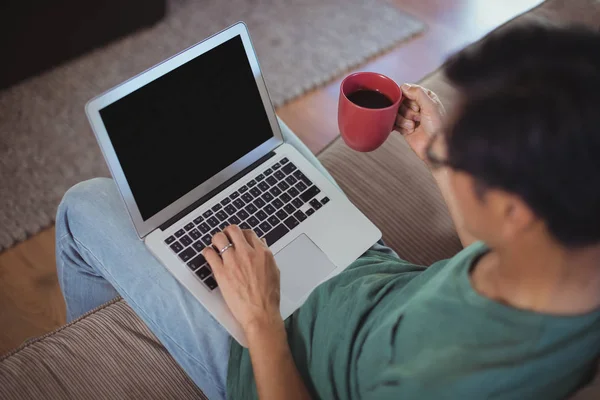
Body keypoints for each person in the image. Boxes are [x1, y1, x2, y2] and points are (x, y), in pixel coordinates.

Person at [56, 23, 600, 399]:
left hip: (269, 355)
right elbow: (499, 252)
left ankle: (87, 365)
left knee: (84, 204)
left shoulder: (452, 378)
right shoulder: (575, 261)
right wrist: (440, 158)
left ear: (515, 212)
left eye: (470, 156)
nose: (451, 151)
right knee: (257, 138)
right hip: (369, 273)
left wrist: (260, 318)